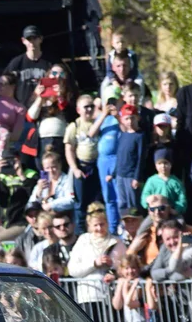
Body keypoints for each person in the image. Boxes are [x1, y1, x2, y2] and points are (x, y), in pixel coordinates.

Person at [68, 207, 125, 322]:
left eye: (102, 224)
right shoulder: (83, 240)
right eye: (95, 225)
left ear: (108, 223)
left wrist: (113, 269)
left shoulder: (117, 242)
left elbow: (126, 269)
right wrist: (94, 263)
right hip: (88, 297)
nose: (99, 228)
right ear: (89, 225)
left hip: (111, 297)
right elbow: (73, 270)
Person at [111, 254, 156, 322]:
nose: (130, 271)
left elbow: (130, 302)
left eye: (133, 268)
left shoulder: (139, 283)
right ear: (121, 270)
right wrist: (120, 288)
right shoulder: (124, 283)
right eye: (127, 268)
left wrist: (128, 286)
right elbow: (117, 305)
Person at [65, 94, 101, 233]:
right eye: (86, 107)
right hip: (81, 166)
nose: (89, 109)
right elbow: (69, 149)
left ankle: (97, 230)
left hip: (96, 166)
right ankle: (80, 235)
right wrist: (75, 169)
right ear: (78, 109)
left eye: (91, 106)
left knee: (97, 202)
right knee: (80, 205)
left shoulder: (98, 123)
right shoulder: (74, 126)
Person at [0, 148, 38, 239]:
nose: (9, 163)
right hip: (4, 223)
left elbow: (34, 195)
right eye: (6, 161)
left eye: (12, 160)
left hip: (21, 223)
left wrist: (21, 175)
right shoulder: (1, 176)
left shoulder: (30, 174)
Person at [92, 91, 124, 233]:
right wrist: (104, 114)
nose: (111, 105)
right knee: (109, 197)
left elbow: (126, 129)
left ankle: (123, 227)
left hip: (117, 158)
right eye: (109, 102)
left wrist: (117, 115)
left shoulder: (121, 117)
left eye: (114, 102)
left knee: (120, 196)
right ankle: (112, 228)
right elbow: (91, 133)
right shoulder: (101, 117)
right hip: (103, 160)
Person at [4, 24, 53, 106]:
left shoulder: (50, 62)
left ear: (41, 39)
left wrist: (55, 76)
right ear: (23, 41)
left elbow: (62, 75)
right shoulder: (16, 63)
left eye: (35, 38)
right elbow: (3, 81)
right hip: (21, 109)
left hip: (45, 108)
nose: (32, 42)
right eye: (29, 39)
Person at [113, 104, 149, 212]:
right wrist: (113, 173)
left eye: (132, 118)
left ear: (137, 118)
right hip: (120, 175)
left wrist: (136, 177)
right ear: (122, 120)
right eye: (127, 118)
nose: (129, 121)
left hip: (131, 176)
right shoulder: (123, 134)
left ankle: (137, 227)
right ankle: (125, 226)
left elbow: (141, 158)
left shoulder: (140, 136)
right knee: (122, 203)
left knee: (133, 205)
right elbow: (119, 156)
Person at [140, 148, 187, 216]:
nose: (163, 166)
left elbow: (182, 199)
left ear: (171, 164)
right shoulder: (151, 181)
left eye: (166, 163)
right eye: (159, 163)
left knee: (180, 224)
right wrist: (148, 201)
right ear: (156, 166)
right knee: (143, 227)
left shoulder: (176, 182)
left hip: (171, 212)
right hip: (155, 213)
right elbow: (144, 196)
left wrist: (177, 210)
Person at [26, 151, 75, 216]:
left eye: (54, 167)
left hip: (63, 216)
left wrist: (51, 205)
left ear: (60, 165)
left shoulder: (67, 180)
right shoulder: (42, 182)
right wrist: (38, 193)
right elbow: (31, 205)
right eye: (47, 168)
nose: (51, 171)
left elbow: (71, 201)